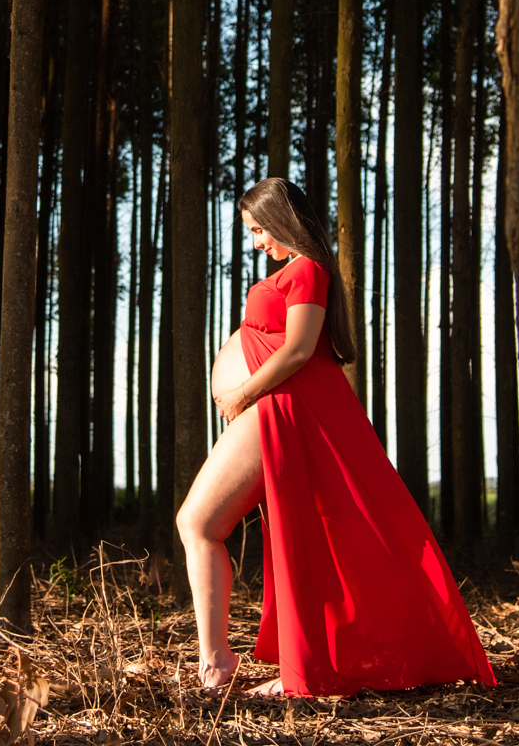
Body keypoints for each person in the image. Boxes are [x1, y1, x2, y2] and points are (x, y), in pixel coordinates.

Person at [176, 177, 495, 697]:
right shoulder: (292, 272)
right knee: (217, 526)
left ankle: (222, 663)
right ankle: (220, 660)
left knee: (198, 522)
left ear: (280, 219)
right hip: (270, 411)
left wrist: (239, 395)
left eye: (258, 229)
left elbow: (299, 349)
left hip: (277, 411)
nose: (256, 242)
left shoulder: (308, 269)